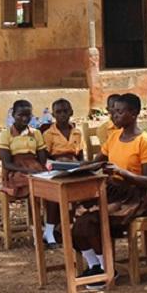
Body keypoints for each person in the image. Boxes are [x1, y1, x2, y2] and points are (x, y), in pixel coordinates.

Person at [71, 93, 147, 290]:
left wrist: (121, 172)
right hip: (112, 190)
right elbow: (96, 162)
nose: (114, 116)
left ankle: (108, 269)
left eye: (119, 112)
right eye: (113, 112)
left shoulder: (145, 140)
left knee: (92, 220)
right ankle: (95, 265)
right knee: (75, 218)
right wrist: (71, 167)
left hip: (133, 196)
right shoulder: (115, 136)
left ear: (133, 114)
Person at [41, 98, 83, 248]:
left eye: (66, 111)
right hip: (56, 167)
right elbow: (45, 157)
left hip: (74, 167)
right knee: (55, 194)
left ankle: (72, 227)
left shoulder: (77, 132)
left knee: (84, 190)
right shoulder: (49, 134)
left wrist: (82, 167)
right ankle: (50, 230)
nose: (63, 115)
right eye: (58, 112)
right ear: (53, 114)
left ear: (71, 112)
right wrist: (52, 167)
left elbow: (80, 155)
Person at [0, 99, 48, 198]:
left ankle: (49, 213)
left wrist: (40, 170)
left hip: (35, 168)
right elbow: (6, 164)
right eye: (20, 115)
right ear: (13, 115)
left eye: (28, 115)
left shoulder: (36, 133)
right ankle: (34, 212)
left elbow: (42, 159)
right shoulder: (6, 134)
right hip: (16, 171)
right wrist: (27, 170)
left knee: (49, 183)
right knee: (32, 182)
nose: (25, 119)